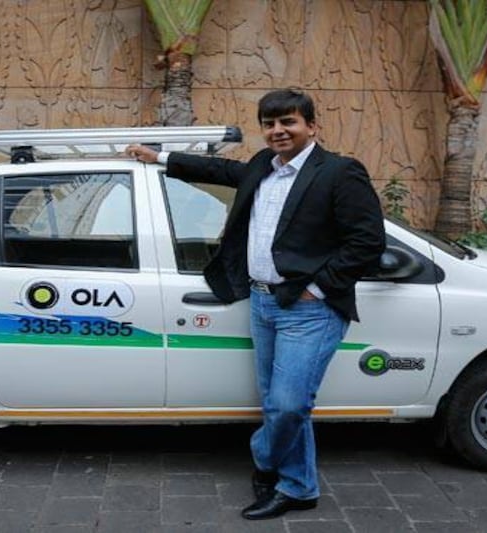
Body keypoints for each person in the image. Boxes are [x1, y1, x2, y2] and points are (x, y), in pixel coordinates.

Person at [127, 89, 385, 520]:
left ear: (311, 126)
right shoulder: (264, 166)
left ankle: (263, 456)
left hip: (309, 309)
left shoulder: (339, 173)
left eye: (288, 122)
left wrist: (318, 288)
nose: (278, 131)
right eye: (269, 124)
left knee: (289, 405)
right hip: (263, 303)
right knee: (277, 402)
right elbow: (222, 170)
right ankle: (298, 486)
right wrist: (160, 158)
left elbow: (367, 242)